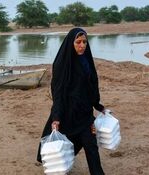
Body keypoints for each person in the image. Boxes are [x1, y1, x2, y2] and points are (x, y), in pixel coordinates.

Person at [37, 28, 105, 175]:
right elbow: (58, 93)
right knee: (64, 147)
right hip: (68, 112)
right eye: (78, 42)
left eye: (85, 42)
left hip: (85, 113)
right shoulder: (62, 64)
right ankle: (62, 166)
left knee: (91, 146)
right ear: (70, 43)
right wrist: (56, 117)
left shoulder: (87, 60)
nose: (82, 46)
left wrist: (98, 105)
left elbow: (92, 85)